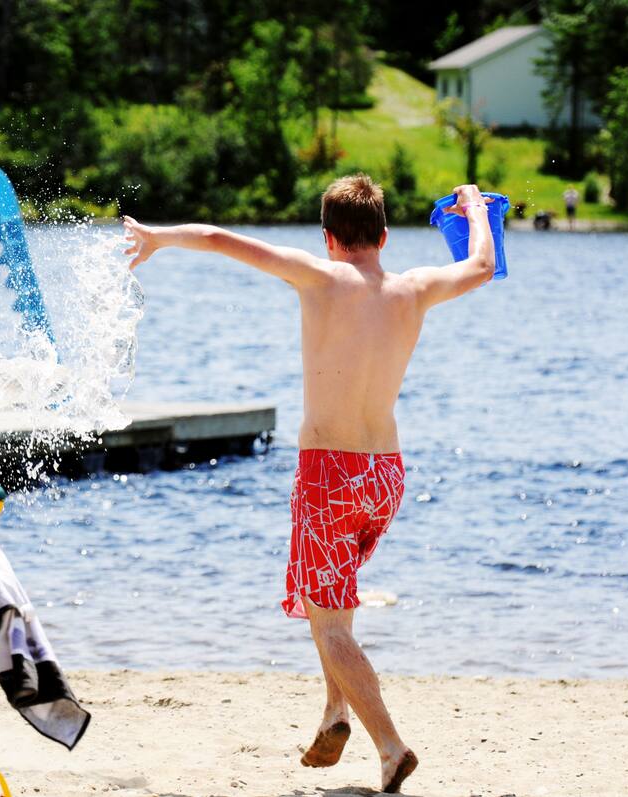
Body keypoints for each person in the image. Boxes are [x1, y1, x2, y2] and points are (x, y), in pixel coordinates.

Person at [123, 176, 497, 794]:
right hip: (386, 474)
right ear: (383, 235)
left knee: (327, 622)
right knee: (335, 594)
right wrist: (475, 207)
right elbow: (482, 264)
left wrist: (157, 238)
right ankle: (334, 711)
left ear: (328, 237)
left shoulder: (318, 277)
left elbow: (216, 238)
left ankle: (390, 747)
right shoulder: (414, 288)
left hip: (328, 473)